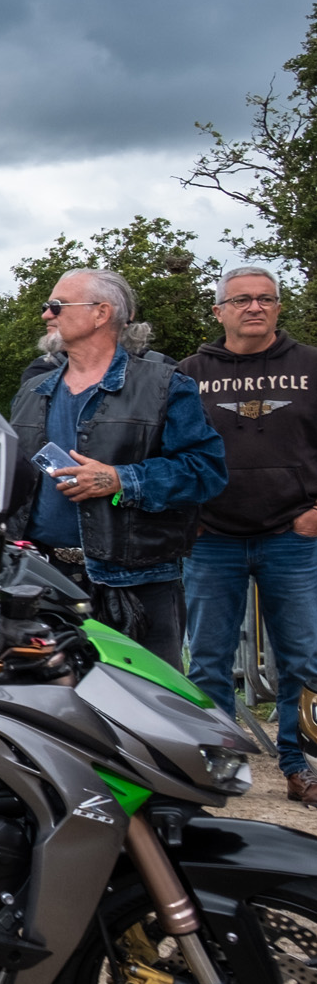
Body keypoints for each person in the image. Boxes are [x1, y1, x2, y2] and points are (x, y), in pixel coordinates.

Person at [8, 267, 225, 668]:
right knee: (52, 712)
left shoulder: (165, 385)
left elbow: (205, 471)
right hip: (41, 580)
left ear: (101, 313)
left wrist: (119, 479)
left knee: (150, 714)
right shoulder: (32, 391)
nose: (46, 315)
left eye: (56, 305)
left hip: (135, 584)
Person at [179, 264, 317, 802]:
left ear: (279, 308)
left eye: (265, 299)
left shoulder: (310, 367)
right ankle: (222, 764)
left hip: (294, 536)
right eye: (241, 300)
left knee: (303, 661)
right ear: (220, 311)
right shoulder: (189, 374)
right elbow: (171, 451)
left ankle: (300, 766)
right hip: (212, 539)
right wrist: (192, 515)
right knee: (209, 662)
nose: (254, 307)